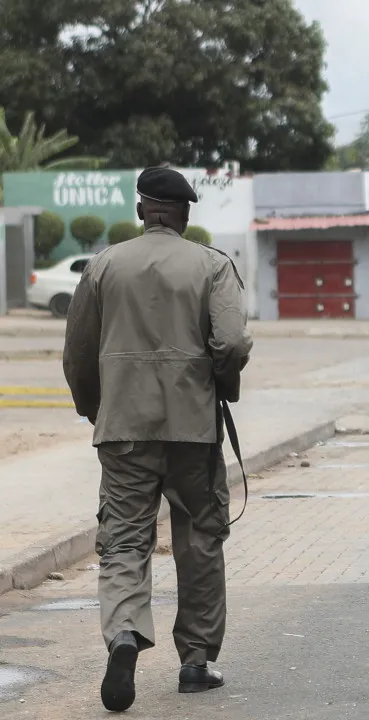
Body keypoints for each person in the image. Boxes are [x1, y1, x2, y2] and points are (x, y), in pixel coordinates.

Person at [62, 167, 252, 712]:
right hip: (193, 431)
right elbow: (234, 341)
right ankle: (195, 662)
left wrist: (98, 410)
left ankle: (124, 632)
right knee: (199, 539)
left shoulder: (102, 266)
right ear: (185, 214)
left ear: (141, 208)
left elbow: (77, 354)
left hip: (123, 431)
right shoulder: (213, 265)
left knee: (123, 540)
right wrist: (217, 381)